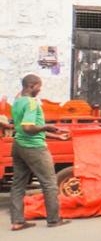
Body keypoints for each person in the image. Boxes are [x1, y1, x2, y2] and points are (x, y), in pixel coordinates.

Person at [9, 74, 70, 231]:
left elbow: (23, 128)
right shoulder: (31, 103)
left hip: (18, 145)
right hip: (34, 147)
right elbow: (29, 128)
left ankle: (17, 221)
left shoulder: (17, 101)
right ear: (31, 86)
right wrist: (46, 127)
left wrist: (56, 135)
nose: (40, 89)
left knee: (18, 184)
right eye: (38, 86)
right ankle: (54, 220)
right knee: (49, 183)